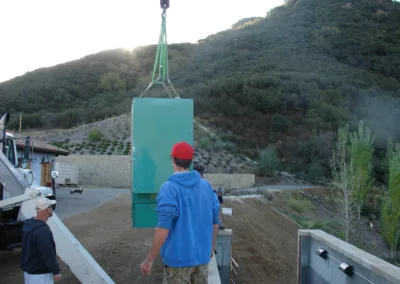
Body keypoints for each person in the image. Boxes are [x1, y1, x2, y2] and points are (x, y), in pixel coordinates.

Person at [140, 142, 220, 283]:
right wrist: (211, 248)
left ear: (172, 159)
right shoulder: (205, 186)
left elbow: (163, 227)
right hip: (202, 260)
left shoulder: (169, 188)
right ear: (190, 161)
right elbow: (215, 220)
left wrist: (149, 259)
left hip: (178, 262)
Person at [20, 197, 61, 284]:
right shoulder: (42, 231)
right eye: (51, 207)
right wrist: (56, 271)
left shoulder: (29, 224)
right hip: (40, 275)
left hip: (30, 273)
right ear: (46, 210)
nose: (52, 209)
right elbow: (47, 253)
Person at [193, 165, 224, 229]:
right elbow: (216, 210)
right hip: (205, 224)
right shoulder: (207, 187)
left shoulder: (186, 185)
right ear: (202, 174)